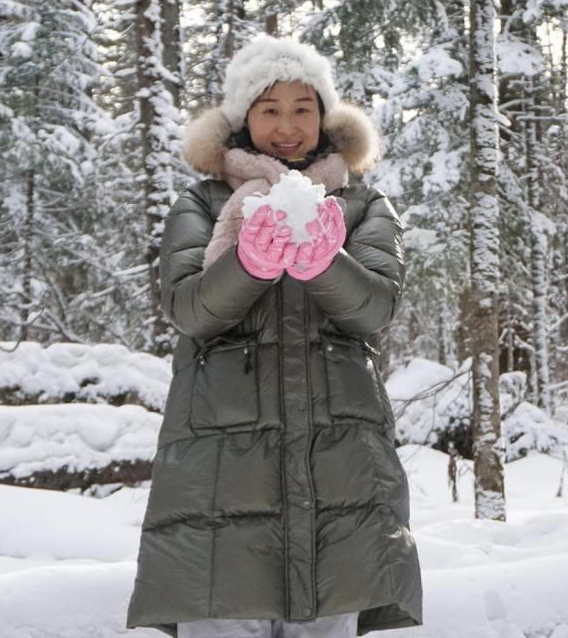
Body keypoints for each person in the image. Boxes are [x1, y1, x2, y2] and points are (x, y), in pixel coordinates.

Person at [126, 35, 423, 638]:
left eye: (302, 108)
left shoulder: (362, 204)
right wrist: (249, 264)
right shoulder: (203, 202)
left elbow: (374, 309)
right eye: (270, 109)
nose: (287, 126)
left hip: (339, 465)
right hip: (220, 466)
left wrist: (324, 263)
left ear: (325, 116)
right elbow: (188, 309)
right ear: (242, 118)